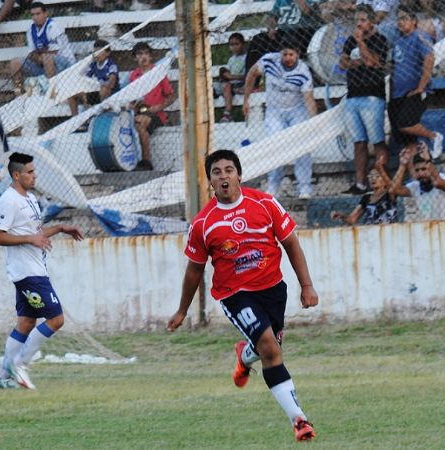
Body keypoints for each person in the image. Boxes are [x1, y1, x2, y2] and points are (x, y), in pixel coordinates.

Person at [167, 149, 318, 442]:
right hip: (234, 295)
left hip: (273, 289)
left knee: (268, 348)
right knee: (271, 350)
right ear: (209, 181)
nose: (223, 176)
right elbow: (194, 271)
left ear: (239, 174)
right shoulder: (203, 223)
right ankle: (299, 420)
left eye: (228, 170)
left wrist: (307, 285)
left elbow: (291, 244)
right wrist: (182, 310)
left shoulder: (265, 203)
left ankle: (244, 355)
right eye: (216, 172)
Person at [0, 152, 84, 389]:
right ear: (16, 175)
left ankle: (2, 377)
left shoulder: (30, 199)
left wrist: (61, 228)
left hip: (35, 269)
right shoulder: (8, 200)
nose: (34, 176)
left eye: (34, 171)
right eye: (29, 172)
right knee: (56, 319)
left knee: (26, 323)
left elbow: (36, 233)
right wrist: (30, 239)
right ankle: (19, 364)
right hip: (27, 273)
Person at [243, 40, 317, 198]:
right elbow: (252, 73)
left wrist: (313, 122)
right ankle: (273, 186)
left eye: (292, 54)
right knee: (275, 146)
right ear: (280, 54)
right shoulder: (269, 60)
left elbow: (309, 98)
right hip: (274, 111)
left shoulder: (303, 71)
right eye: (285, 54)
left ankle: (304, 188)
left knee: (302, 146)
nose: (288, 58)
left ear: (297, 54)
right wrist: (246, 99)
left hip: (297, 111)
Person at [338, 4, 390, 195]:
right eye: (356, 21)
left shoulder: (379, 40)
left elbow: (372, 62)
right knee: (359, 142)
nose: (358, 24)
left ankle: (383, 180)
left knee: (377, 141)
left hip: (372, 97)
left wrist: (360, 43)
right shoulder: (350, 40)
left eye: (362, 20)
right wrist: (357, 62)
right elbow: (342, 63)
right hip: (353, 95)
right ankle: (360, 184)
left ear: (371, 21)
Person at [388, 5, 443, 158]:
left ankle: (434, 136)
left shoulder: (419, 37)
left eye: (404, 18)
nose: (400, 21)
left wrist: (421, 87)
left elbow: (429, 58)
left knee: (406, 124)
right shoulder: (398, 42)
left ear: (414, 21)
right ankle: (413, 167)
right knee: (405, 140)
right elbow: (394, 68)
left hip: (415, 91)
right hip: (397, 95)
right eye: (398, 18)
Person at [10, 2, 78, 117]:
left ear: (45, 14)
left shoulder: (52, 26)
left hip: (65, 65)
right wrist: (39, 56)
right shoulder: (31, 30)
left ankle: (53, 95)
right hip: (45, 65)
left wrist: (39, 55)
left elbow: (54, 52)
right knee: (15, 63)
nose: (35, 17)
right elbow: (31, 54)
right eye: (33, 15)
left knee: (47, 58)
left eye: (38, 13)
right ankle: (18, 96)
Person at [128, 41, 176, 171]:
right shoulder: (133, 75)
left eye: (146, 53)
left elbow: (171, 96)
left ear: (151, 56)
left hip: (156, 114)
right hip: (140, 111)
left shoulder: (158, 73)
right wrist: (133, 105)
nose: (143, 57)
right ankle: (133, 163)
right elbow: (131, 99)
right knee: (131, 124)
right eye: (139, 54)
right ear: (134, 57)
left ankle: (146, 162)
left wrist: (159, 107)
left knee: (139, 124)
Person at [331, 155, 398, 225]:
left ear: (385, 178)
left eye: (377, 176)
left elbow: (393, 186)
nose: (373, 178)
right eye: (371, 176)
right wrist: (342, 216)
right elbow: (352, 219)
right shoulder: (367, 197)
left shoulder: (390, 194)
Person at [390, 146, 445, 220]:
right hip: (427, 227)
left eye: (424, 169)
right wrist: (403, 165)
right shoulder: (416, 186)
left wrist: (428, 160)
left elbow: (437, 183)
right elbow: (394, 190)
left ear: (430, 166)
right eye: (417, 170)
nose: (420, 173)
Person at [218, 32, 246, 123]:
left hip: (240, 83)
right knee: (222, 76)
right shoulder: (231, 59)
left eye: (237, 44)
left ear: (243, 44)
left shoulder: (246, 57)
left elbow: (247, 75)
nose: (234, 47)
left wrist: (232, 77)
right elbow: (227, 73)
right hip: (230, 84)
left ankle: (227, 113)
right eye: (231, 45)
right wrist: (227, 75)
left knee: (227, 85)